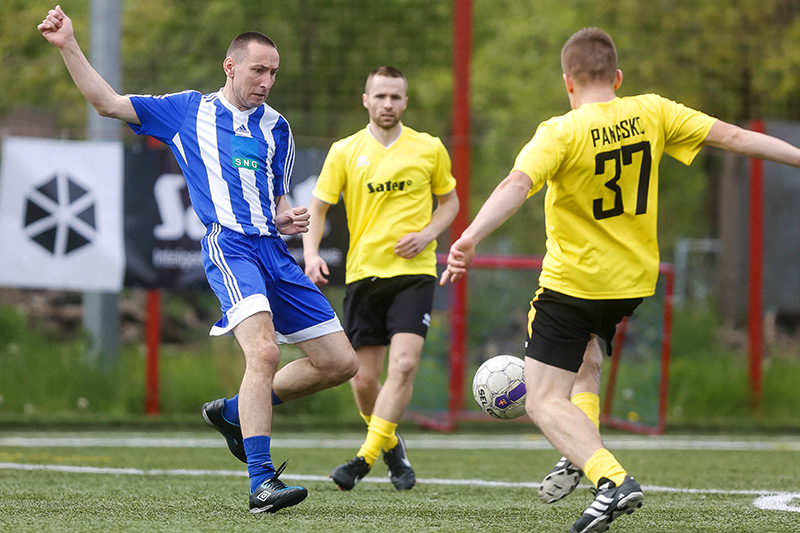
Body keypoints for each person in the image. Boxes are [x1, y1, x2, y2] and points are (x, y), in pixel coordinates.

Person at [440, 27, 800, 533]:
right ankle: (577, 451)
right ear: (618, 77)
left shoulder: (560, 131)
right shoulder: (653, 111)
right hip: (630, 285)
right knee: (585, 360)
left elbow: (515, 184)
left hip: (574, 283)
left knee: (542, 399)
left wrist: (470, 237)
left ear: (568, 81)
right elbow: (737, 138)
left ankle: (610, 480)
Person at [39, 5, 358, 514]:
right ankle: (261, 483)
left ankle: (233, 413)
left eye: (274, 73)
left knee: (340, 363)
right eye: (258, 70)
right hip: (230, 248)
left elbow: (275, 198)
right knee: (264, 353)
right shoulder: (188, 111)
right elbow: (106, 103)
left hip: (274, 252)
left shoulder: (278, 128)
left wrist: (284, 217)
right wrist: (69, 45)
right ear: (230, 66)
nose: (267, 82)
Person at [302, 66, 459, 491]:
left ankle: (363, 458)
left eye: (395, 97)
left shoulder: (429, 148)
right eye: (380, 96)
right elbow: (318, 208)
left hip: (414, 274)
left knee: (404, 364)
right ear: (366, 100)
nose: (387, 104)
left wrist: (427, 234)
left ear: (405, 102)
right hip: (364, 274)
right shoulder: (344, 150)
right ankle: (392, 447)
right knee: (363, 380)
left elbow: (450, 202)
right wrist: (311, 254)